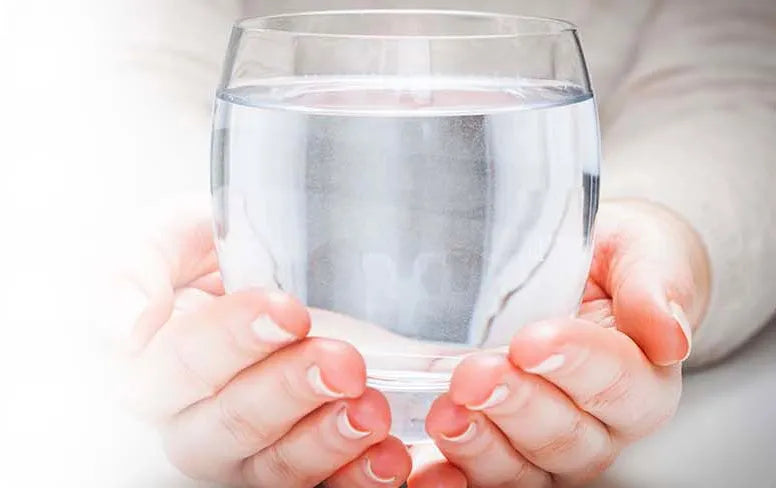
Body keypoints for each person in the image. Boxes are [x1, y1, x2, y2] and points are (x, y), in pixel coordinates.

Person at [103, 1, 776, 487]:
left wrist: (672, 234)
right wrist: (169, 243)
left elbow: (736, 72)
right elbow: (128, 57)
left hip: (544, 333)